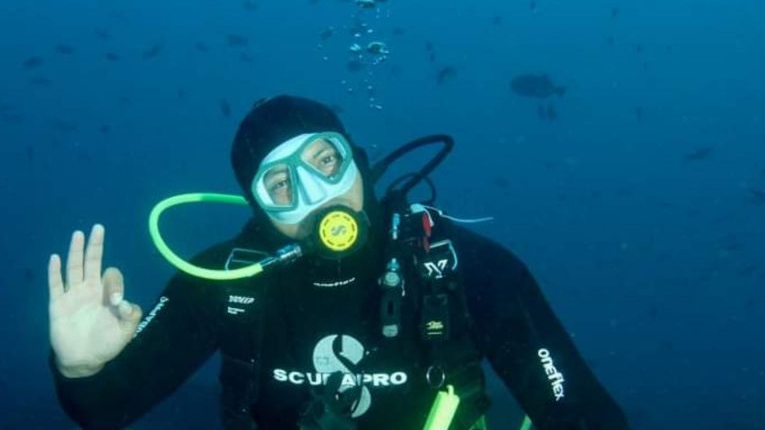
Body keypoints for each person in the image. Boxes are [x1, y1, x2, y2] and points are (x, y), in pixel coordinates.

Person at [48, 95, 631, 430]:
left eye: (324, 161)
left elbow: (581, 414)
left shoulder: (459, 266)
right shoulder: (227, 282)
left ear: (357, 162)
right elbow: (102, 412)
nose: (315, 193)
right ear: (258, 208)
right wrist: (80, 370)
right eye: (281, 184)